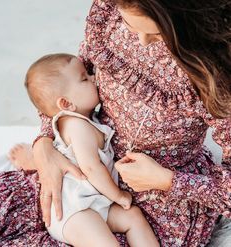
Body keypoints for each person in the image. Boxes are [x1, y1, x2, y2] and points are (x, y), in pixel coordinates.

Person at [5, 0, 231, 246]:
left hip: (156, 202)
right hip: (86, 162)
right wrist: (44, 145)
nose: (142, 42)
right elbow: (65, 84)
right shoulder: (110, 14)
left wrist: (167, 180)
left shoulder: (217, 72)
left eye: (157, 34)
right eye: (130, 25)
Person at [15, 52, 159, 247]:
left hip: (93, 203)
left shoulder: (87, 121)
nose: (94, 78)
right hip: (73, 210)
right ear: (66, 103)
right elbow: (92, 169)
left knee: (133, 216)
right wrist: (119, 196)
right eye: (85, 78)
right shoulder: (77, 126)